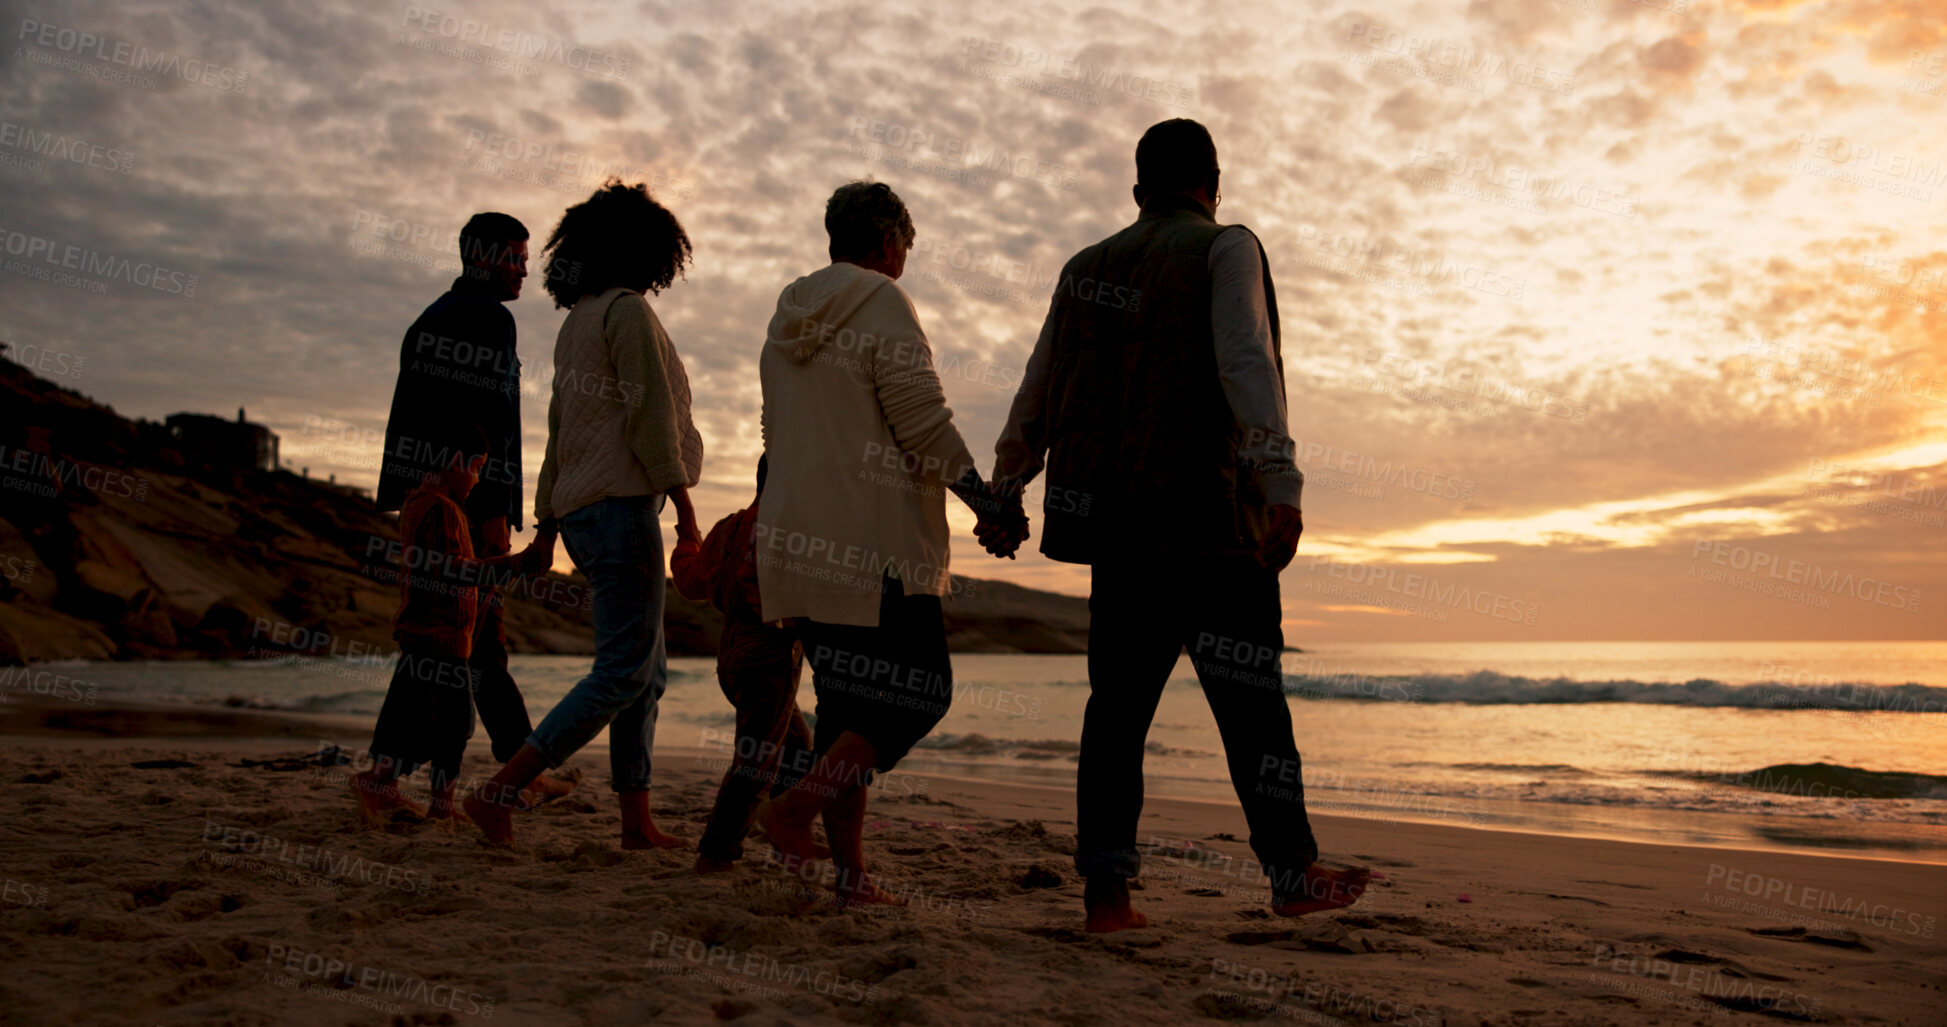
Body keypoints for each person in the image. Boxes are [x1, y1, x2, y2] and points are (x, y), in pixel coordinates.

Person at [990, 119, 1370, 932]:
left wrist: (1007, 484)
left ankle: (1107, 896)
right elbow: (1246, 362)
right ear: (1215, 183)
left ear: (1137, 193)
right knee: (1254, 709)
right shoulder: (1226, 247)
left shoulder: (1083, 267)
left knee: (1116, 712)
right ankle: (1290, 872)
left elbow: (1039, 384)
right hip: (1207, 521)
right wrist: (1280, 481)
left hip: (1117, 531)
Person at [753, 180, 1016, 905]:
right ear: (890, 241)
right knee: (918, 691)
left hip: (798, 542)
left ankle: (849, 873)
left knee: (845, 709)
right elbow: (922, 422)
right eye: (907, 245)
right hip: (872, 551)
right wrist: (988, 505)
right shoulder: (881, 300)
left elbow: (775, 441)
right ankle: (791, 808)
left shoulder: (786, 320)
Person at [464, 181, 704, 848]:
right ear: (650, 250)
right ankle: (500, 789)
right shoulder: (626, 312)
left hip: (583, 512)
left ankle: (636, 822)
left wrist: (545, 526)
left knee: (644, 674)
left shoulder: (578, 322)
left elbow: (560, 430)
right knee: (623, 669)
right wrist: (685, 510)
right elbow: (651, 420)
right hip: (621, 508)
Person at [375, 212, 572, 804]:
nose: (523, 270)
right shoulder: (490, 319)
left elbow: (416, 418)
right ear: (479, 257)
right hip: (467, 506)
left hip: (429, 499)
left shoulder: (428, 320)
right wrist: (493, 510)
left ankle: (402, 770)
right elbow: (489, 428)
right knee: (471, 642)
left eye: (524, 258)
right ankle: (404, 772)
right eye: (513, 258)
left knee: (462, 643)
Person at [354, 424, 555, 825]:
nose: (477, 479)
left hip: (428, 636)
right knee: (455, 724)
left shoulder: (416, 502)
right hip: (439, 639)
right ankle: (410, 794)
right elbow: (452, 570)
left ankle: (412, 795)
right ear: (456, 462)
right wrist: (510, 565)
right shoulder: (441, 510)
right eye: (477, 468)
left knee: (412, 720)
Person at [669, 454, 815, 874]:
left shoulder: (730, 527)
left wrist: (687, 535)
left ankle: (786, 839)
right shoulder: (794, 533)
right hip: (769, 656)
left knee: (794, 747)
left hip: (730, 655)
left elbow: (690, 582)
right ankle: (716, 852)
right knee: (756, 761)